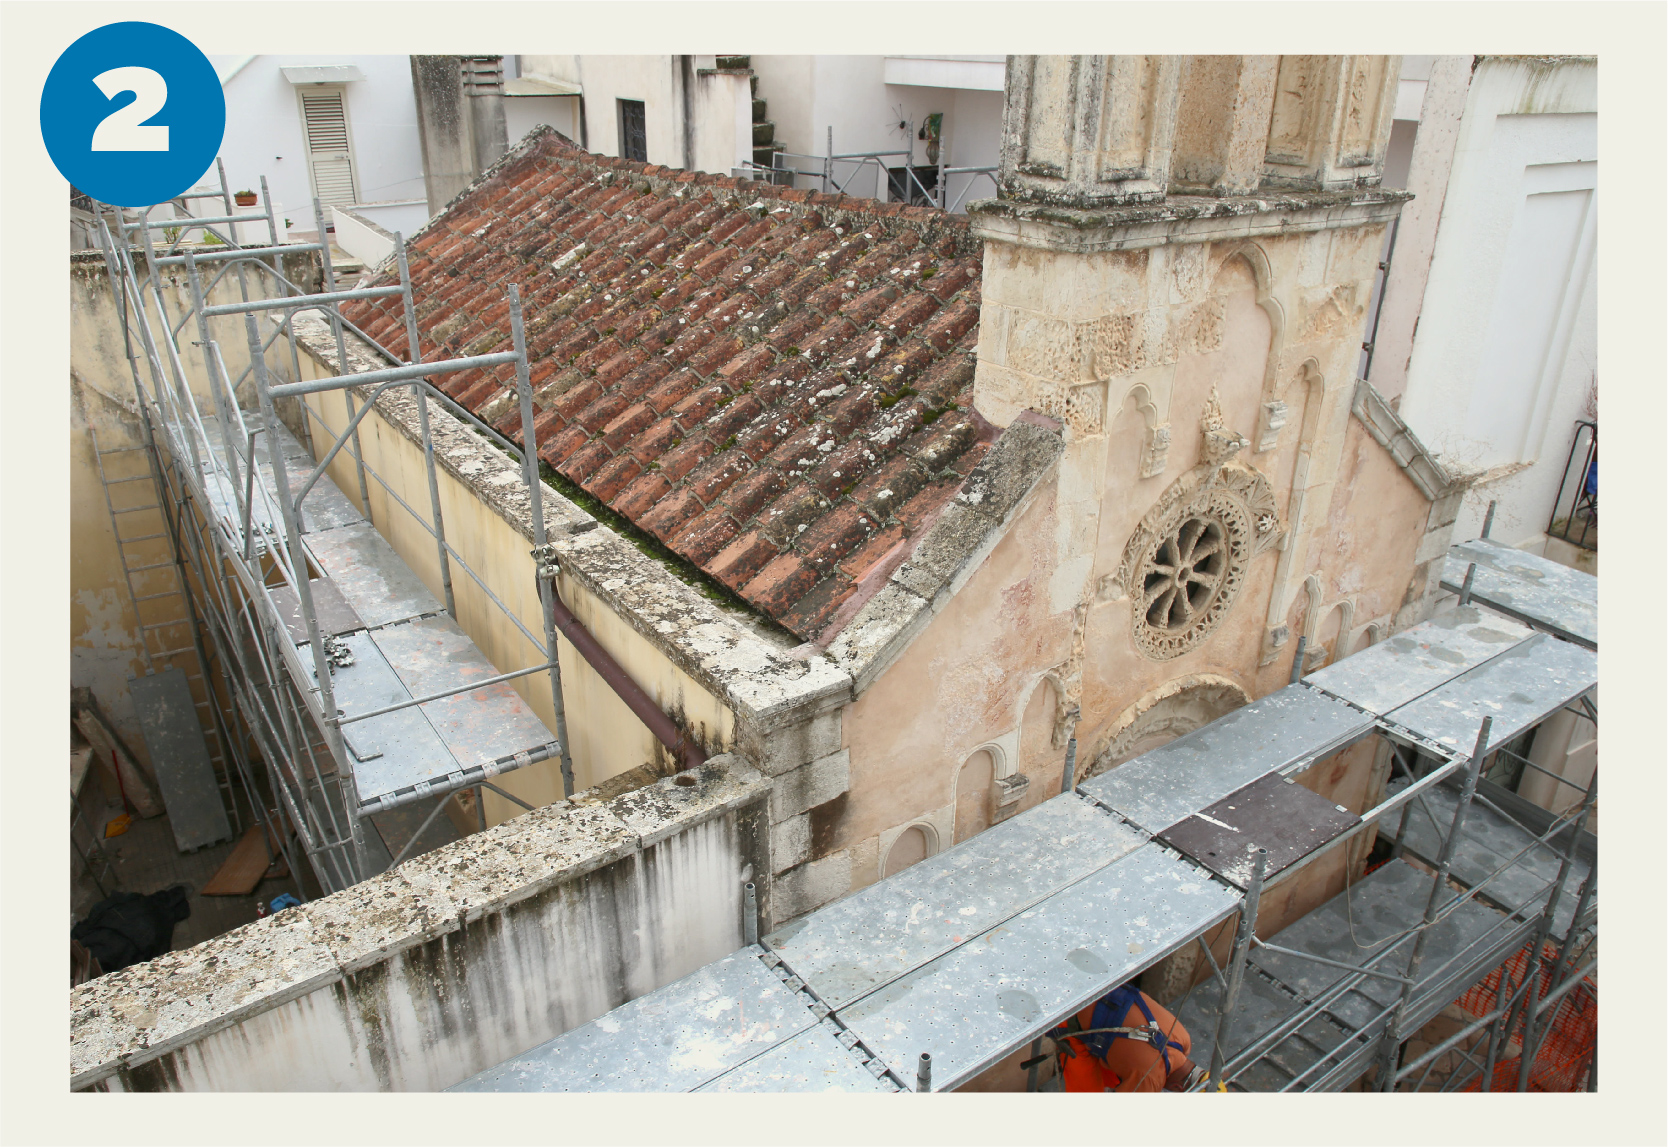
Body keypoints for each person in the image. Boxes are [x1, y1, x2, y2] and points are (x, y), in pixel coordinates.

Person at [1050, 982, 1209, 1092]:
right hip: (1070, 1014)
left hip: (1099, 989)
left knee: (1117, 1079)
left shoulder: (1183, 1040)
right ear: (1178, 1088)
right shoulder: (1150, 1080)